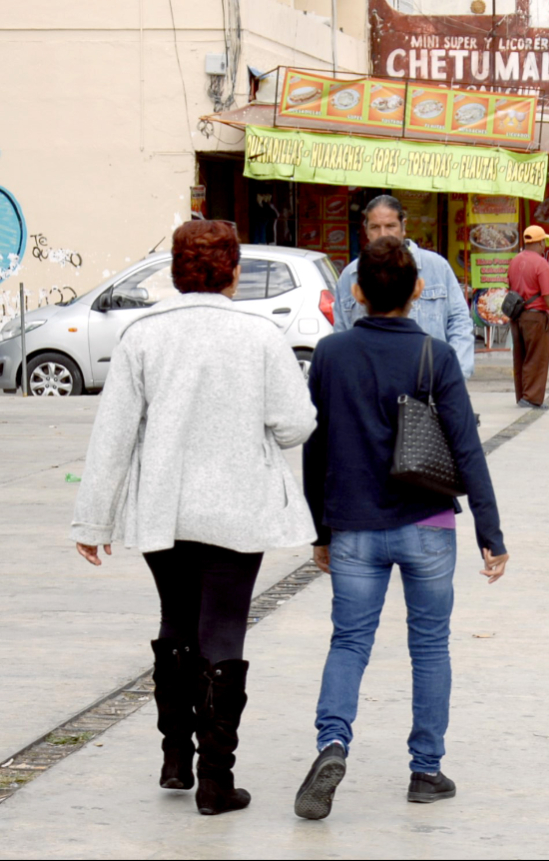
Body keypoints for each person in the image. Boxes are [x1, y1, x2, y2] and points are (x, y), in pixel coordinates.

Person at [70, 221, 317, 816]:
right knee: (224, 630)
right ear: (233, 271)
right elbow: (296, 423)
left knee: (176, 620)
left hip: (163, 504)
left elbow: (114, 436)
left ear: (176, 273)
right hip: (237, 504)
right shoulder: (259, 335)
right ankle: (216, 781)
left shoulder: (143, 335)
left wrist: (92, 521)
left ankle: (175, 757)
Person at [295, 236, 508, 821]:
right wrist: (490, 533)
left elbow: (315, 449)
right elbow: (466, 447)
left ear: (357, 292)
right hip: (428, 523)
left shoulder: (332, 354)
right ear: (418, 290)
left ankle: (333, 744)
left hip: (355, 527)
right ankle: (426, 769)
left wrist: (320, 530)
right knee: (430, 646)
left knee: (349, 642)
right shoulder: (435, 356)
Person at [333, 195, 476, 379]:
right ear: (366, 230)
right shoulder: (350, 275)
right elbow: (342, 332)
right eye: (375, 227)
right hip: (370, 388)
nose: (383, 234)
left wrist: (453, 376)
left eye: (390, 226)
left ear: (403, 227)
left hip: (428, 386)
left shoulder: (436, 267)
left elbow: (460, 323)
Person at [507, 225, 549, 409]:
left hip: (517, 317)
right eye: (543, 241)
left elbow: (510, 287)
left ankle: (522, 396)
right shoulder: (541, 264)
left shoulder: (514, 261)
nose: (544, 245)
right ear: (538, 243)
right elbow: (548, 294)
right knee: (536, 358)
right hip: (536, 317)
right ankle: (532, 398)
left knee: (520, 357)